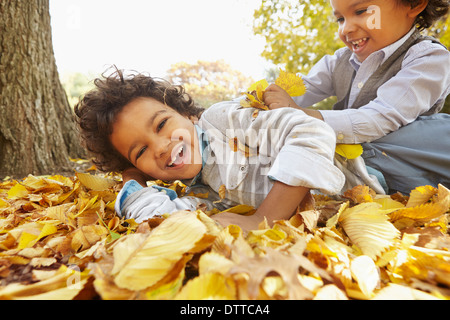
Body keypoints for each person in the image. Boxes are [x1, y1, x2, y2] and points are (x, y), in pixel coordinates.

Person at [74, 69, 382, 231]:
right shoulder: (201, 194)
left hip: (381, 164)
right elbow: (156, 219)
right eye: (140, 151)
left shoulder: (221, 123)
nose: (161, 147)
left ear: (187, 115)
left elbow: (309, 129)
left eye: (161, 125)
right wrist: (132, 178)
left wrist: (265, 219)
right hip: (362, 205)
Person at [263, 0, 450, 194]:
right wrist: (265, 101)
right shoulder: (338, 61)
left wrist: (301, 114)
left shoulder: (429, 58)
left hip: (398, 163)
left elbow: (379, 118)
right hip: (352, 157)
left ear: (413, 4)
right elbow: (302, 88)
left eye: (361, 11)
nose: (346, 29)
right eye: (340, 19)